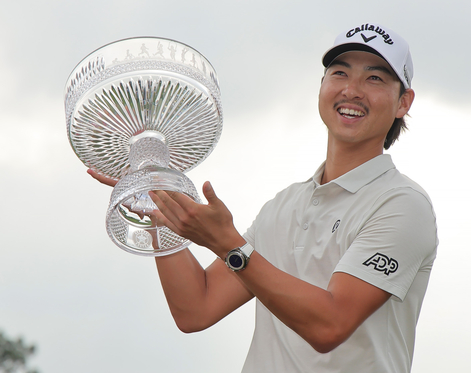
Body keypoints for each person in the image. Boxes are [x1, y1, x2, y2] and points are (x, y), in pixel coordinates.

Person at [90, 21, 438, 373]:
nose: (352, 90)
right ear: (322, 87)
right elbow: (196, 308)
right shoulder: (284, 206)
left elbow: (329, 324)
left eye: (374, 78)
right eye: (339, 73)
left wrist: (229, 246)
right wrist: (157, 204)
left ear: (402, 103)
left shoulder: (402, 204)